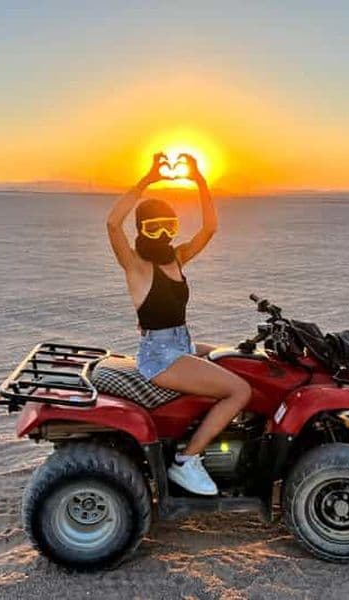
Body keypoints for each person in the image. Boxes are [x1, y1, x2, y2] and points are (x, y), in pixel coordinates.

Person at [106, 153, 251, 495]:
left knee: (242, 361)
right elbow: (113, 225)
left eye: (168, 227)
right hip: (160, 356)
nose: (161, 234)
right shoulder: (137, 266)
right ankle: (186, 461)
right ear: (141, 230)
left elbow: (210, 228)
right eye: (152, 227)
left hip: (183, 344)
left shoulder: (176, 257)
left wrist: (199, 179)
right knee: (239, 390)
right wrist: (147, 179)